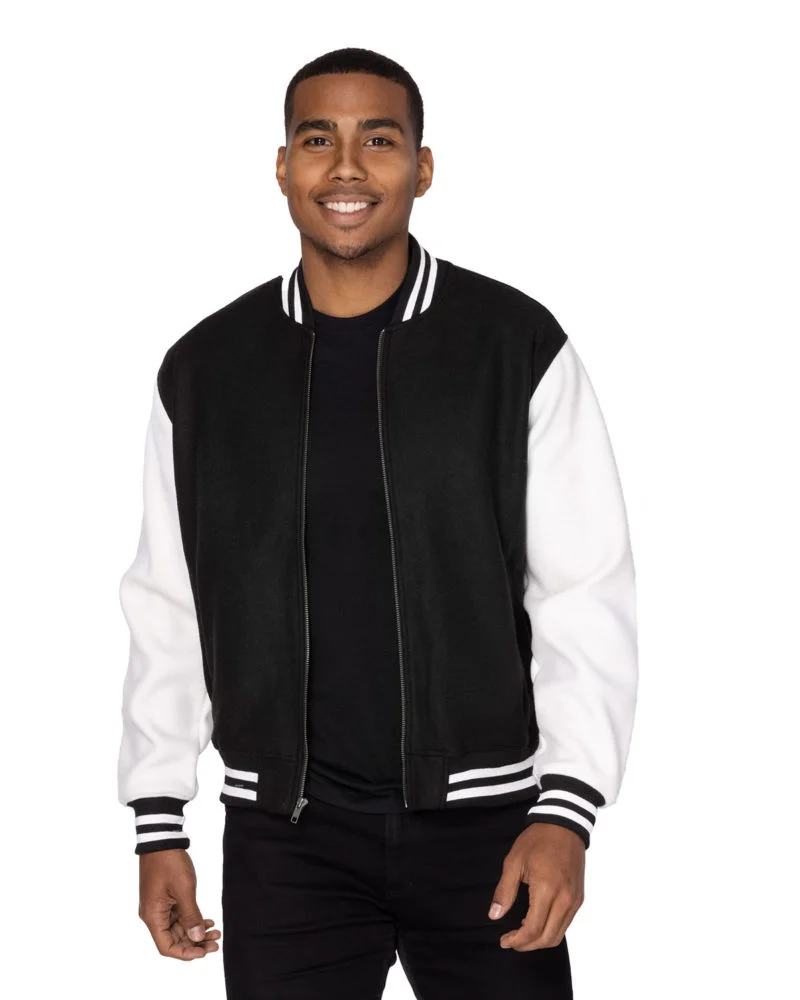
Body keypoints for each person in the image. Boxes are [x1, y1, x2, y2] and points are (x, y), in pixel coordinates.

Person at [117, 46, 638, 999]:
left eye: (380, 140)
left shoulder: (512, 346)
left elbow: (581, 590)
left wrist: (567, 812)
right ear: (284, 167)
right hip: (286, 842)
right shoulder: (207, 371)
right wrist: (159, 819)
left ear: (422, 168)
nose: (348, 167)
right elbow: (171, 603)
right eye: (320, 140)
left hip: (489, 832)